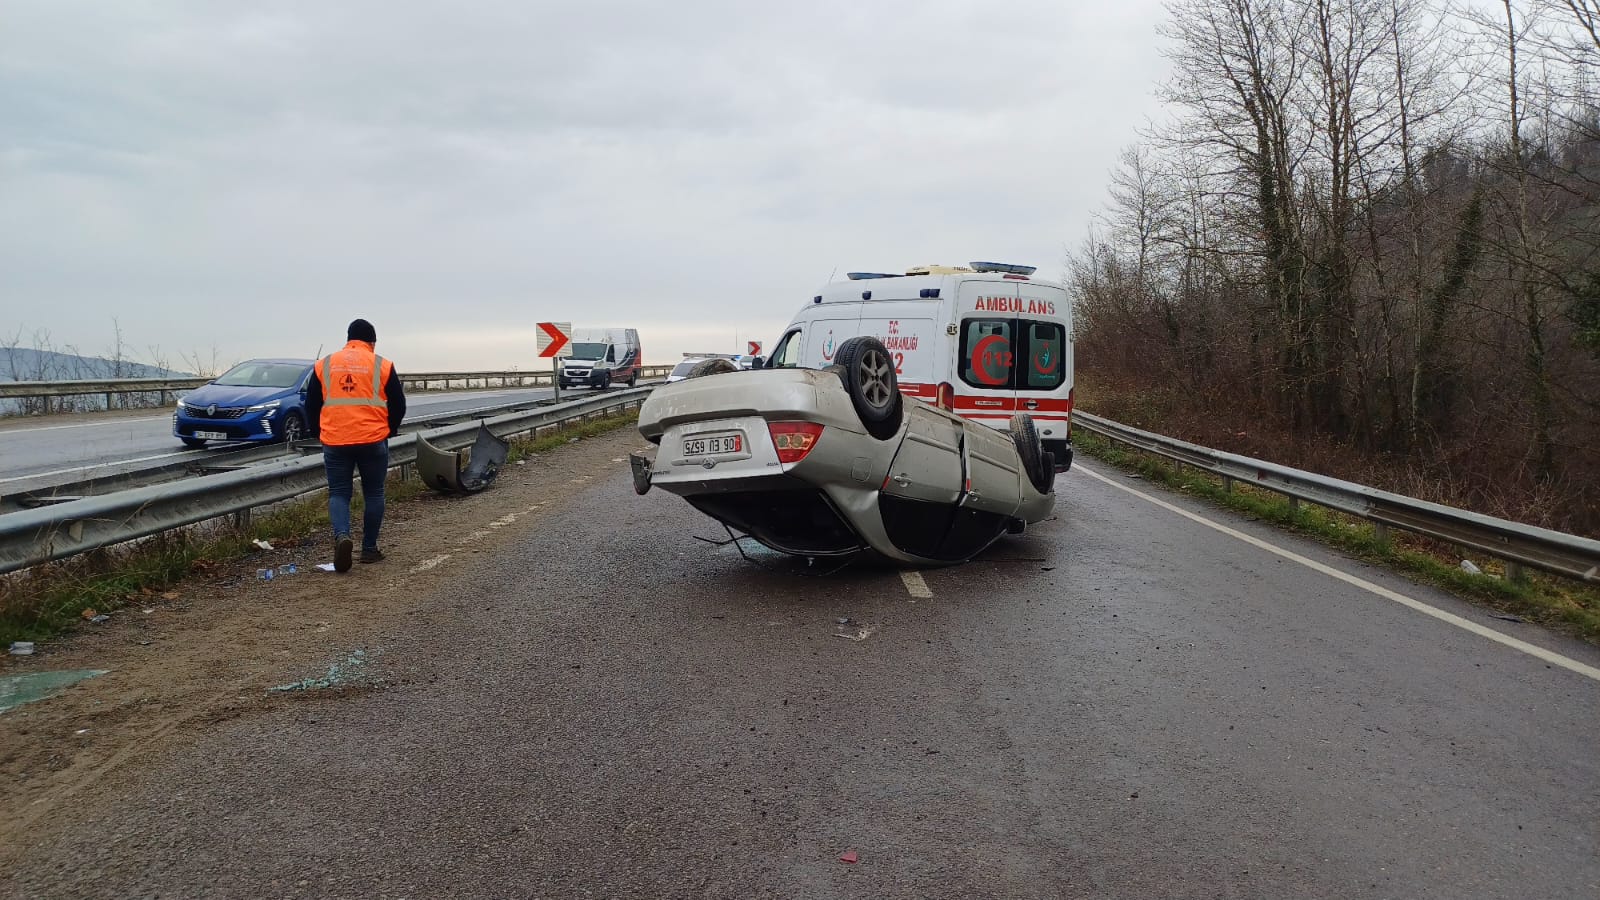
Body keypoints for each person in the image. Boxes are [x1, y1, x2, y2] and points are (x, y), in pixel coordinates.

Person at [305, 318, 407, 572]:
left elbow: (311, 405)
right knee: (374, 492)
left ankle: (342, 536)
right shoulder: (381, 364)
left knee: (339, 492)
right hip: (372, 438)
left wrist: (320, 432)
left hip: (335, 439)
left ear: (348, 339)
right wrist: (389, 430)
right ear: (371, 341)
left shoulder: (325, 364)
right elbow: (398, 403)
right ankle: (369, 549)